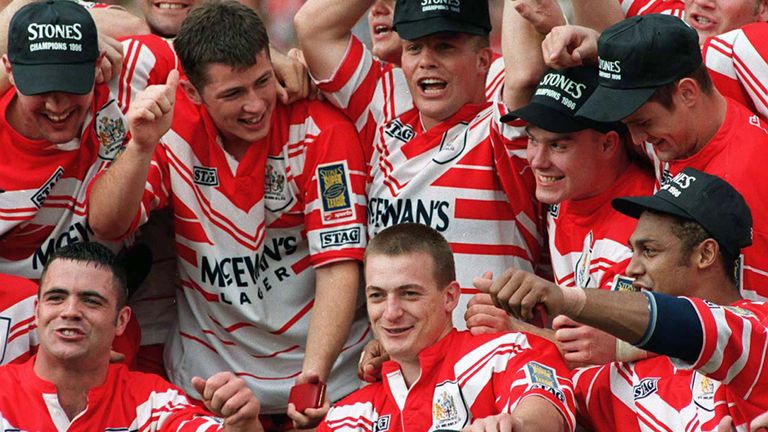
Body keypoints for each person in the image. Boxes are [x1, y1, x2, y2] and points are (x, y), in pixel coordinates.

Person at [88, 1, 370, 429]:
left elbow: (338, 265)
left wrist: (314, 375)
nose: (256, 104)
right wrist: (140, 146)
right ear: (193, 92)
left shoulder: (320, 129)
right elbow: (106, 223)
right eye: (233, 94)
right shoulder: (170, 125)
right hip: (210, 382)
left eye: (262, 82)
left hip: (326, 378)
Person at [295, 0, 542, 330]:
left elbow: (524, 74)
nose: (427, 61)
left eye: (444, 47)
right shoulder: (386, 101)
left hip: (489, 365)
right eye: (414, 48)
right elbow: (312, 27)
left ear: (483, 60)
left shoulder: (500, 130)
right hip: (404, 368)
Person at [482, 168, 768, 431]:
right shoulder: (622, 377)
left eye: (650, 251)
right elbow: (554, 397)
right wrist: (513, 333)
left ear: (704, 255)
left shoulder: (757, 332)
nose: (632, 268)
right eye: (632, 250)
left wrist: (564, 298)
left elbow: (688, 322)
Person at [553, 14, 768, 301]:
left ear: (688, 93)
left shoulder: (743, 184)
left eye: (643, 123)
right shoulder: (700, 99)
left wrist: (623, 347)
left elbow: (748, 324)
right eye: (626, 124)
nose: (637, 140)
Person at [319, 223, 576, 432]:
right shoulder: (347, 417)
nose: (391, 312)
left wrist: (515, 426)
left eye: (409, 294)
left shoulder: (506, 352)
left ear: (450, 297)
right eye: (377, 296)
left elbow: (544, 414)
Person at [0, 242, 264, 431]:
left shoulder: (154, 402)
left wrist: (243, 425)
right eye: (56, 298)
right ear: (36, 312)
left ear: (122, 320)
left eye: (91, 301)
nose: (70, 312)